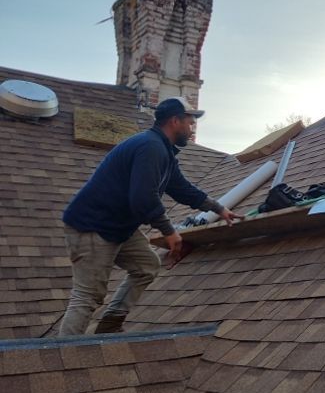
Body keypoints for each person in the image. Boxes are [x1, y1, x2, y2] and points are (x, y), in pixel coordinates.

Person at [59, 96, 242, 335]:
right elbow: (143, 198)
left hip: (118, 227)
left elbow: (182, 189)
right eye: (189, 122)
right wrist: (169, 231)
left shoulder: (163, 151)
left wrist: (219, 208)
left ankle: (110, 324)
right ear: (175, 121)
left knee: (146, 266)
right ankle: (60, 353)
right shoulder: (150, 147)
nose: (191, 128)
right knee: (88, 296)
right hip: (91, 226)